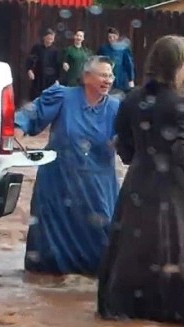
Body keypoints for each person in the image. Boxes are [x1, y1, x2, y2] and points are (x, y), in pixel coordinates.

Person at [97, 35, 184, 327]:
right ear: (179, 65)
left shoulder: (131, 99)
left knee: (133, 248)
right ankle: (173, 310)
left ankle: (128, 308)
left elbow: (124, 148)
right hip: (171, 190)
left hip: (137, 186)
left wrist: (143, 155)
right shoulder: (181, 104)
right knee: (175, 250)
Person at [14, 56, 120, 276]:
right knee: (48, 260)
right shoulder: (62, 96)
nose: (107, 80)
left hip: (97, 188)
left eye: (110, 75)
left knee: (101, 247)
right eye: (102, 74)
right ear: (86, 77)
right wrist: (17, 133)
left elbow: (131, 141)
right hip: (57, 184)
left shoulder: (116, 108)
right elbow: (28, 116)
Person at [97, 27, 135, 94]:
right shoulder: (103, 49)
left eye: (114, 37)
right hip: (107, 76)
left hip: (121, 78)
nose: (112, 39)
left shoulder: (123, 49)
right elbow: (98, 63)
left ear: (117, 37)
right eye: (110, 37)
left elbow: (128, 64)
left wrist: (131, 79)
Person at [26, 28, 60, 100]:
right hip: (38, 77)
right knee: (35, 97)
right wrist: (29, 70)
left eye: (52, 37)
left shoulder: (55, 51)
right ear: (44, 37)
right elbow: (30, 60)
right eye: (49, 36)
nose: (51, 38)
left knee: (48, 98)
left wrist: (57, 79)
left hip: (50, 79)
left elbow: (58, 65)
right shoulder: (37, 48)